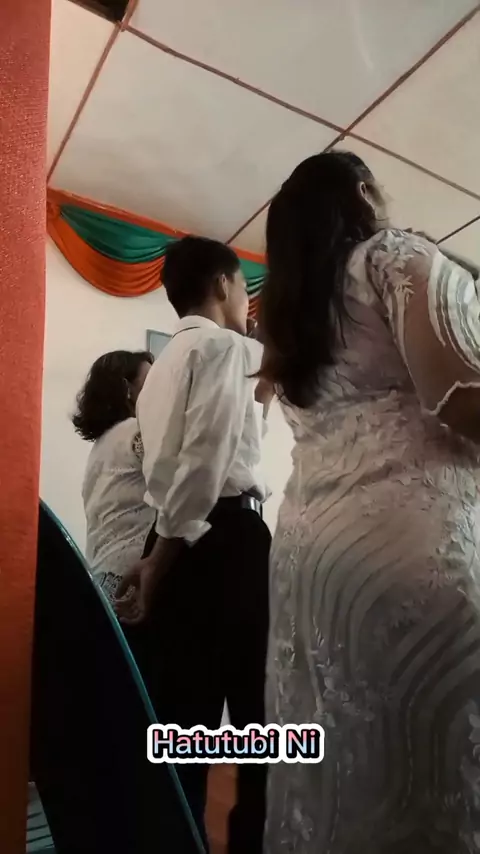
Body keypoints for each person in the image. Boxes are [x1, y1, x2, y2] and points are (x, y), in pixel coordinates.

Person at [258, 150, 480, 853]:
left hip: (310, 560)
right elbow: (462, 395)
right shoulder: (390, 257)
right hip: (410, 547)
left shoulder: (284, 319)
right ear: (361, 192)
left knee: (339, 759)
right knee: (428, 767)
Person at [115, 236, 271, 854]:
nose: (246, 302)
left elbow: (198, 457)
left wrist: (160, 551)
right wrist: (161, 557)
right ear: (223, 283)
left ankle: (175, 839)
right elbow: (206, 464)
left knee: (185, 716)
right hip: (222, 538)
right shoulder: (224, 347)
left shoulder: (162, 366)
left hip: (179, 538)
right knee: (255, 712)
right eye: (244, 288)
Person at [72, 350, 155, 602]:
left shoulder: (101, 445)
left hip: (101, 577)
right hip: (129, 580)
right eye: (152, 381)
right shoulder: (138, 432)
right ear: (127, 390)